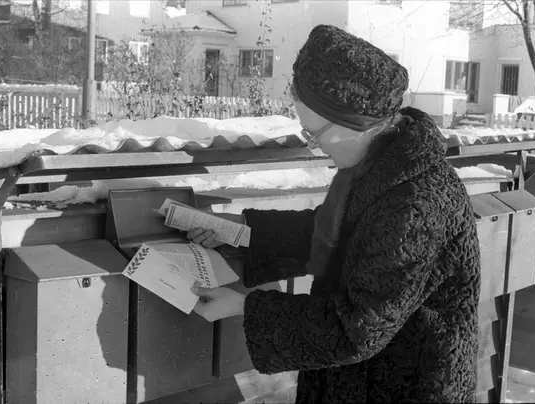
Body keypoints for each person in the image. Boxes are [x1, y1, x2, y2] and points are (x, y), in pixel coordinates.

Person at [188, 24, 481, 403]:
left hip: (405, 389)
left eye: (316, 134)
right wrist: (242, 230)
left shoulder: (415, 203)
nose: (315, 146)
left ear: (355, 124)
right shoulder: (385, 166)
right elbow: (338, 234)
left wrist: (245, 306)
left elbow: (359, 328)